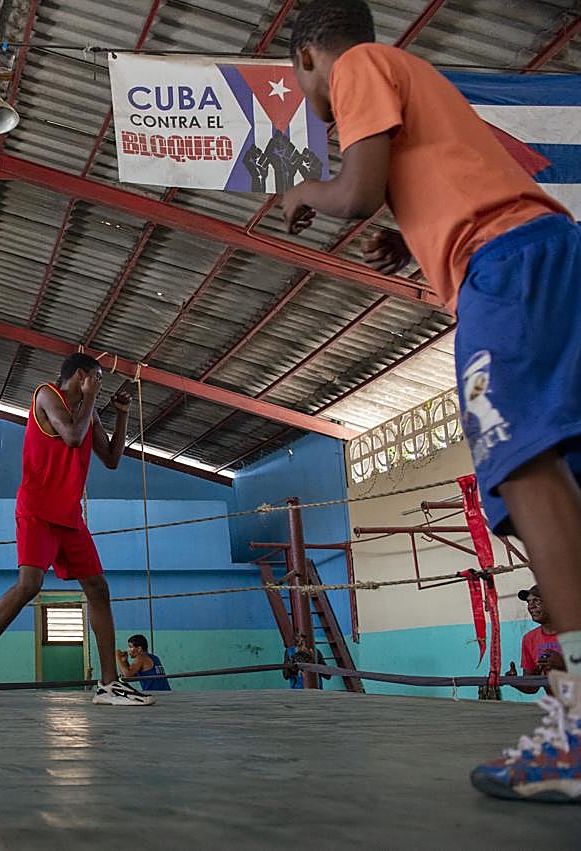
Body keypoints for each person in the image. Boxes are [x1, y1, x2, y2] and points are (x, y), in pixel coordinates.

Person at [281, 0, 581, 802]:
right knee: (566, 478)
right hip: (547, 254)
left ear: (307, 56)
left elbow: (355, 188)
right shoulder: (415, 77)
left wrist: (309, 191)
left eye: (298, 78)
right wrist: (407, 228)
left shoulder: (355, 68)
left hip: (505, 268)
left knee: (520, 462)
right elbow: (423, 176)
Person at [0, 353, 154, 707]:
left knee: (98, 588)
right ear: (80, 376)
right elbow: (71, 436)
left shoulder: (88, 413)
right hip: (36, 511)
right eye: (95, 377)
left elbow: (110, 459)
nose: (99, 383)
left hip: (69, 516)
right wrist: (92, 398)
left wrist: (122, 415)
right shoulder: (46, 395)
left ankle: (109, 683)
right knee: (30, 584)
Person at [507, 585, 565, 695]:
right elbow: (532, 687)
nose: (531, 606)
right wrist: (514, 681)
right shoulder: (529, 639)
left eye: (536, 601)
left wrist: (564, 664)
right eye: (528, 602)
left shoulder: (574, 632)